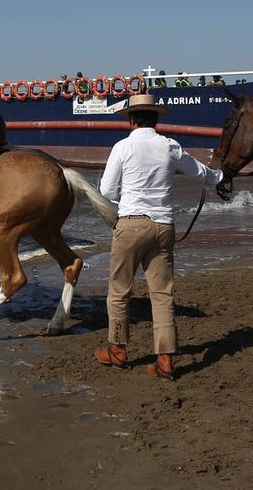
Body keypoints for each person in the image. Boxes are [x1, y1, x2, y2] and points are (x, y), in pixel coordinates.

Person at [93, 93, 224, 381]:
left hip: (130, 224)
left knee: (119, 291)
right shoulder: (170, 147)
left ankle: (118, 351)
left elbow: (107, 190)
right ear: (155, 119)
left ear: (131, 120)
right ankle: (165, 360)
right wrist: (220, 178)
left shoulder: (122, 147)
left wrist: (125, 197)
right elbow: (201, 172)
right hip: (164, 226)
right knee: (163, 294)